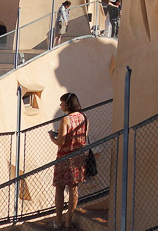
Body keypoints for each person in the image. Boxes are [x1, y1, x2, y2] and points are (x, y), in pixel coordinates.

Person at [50, 92, 89, 230]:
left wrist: (52, 137)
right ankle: (69, 220)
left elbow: (61, 142)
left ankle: (59, 222)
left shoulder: (65, 120)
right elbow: (84, 137)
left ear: (67, 104)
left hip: (64, 158)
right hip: (78, 157)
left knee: (59, 189)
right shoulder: (84, 117)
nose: (60, 105)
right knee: (74, 189)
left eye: (62, 103)